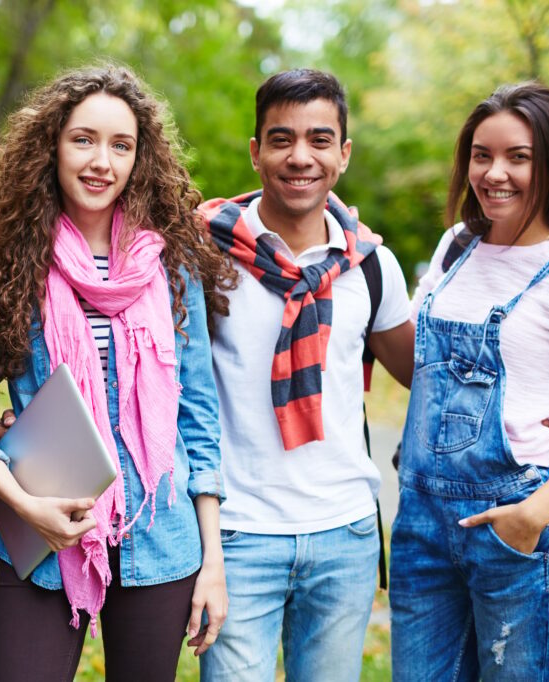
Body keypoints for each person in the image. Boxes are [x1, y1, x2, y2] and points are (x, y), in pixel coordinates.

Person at [0, 64, 232, 681]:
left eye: (121, 145)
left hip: (161, 536)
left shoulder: (169, 268)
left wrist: (213, 561)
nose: (102, 161)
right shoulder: (7, 267)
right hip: (46, 535)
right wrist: (20, 501)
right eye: (84, 139)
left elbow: (198, 418)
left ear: (139, 159)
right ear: (51, 146)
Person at [389, 82, 549, 681]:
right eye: (481, 154)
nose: (493, 172)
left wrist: (531, 516)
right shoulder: (456, 247)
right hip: (421, 525)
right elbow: (417, 362)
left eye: (517, 157)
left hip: (517, 533)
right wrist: (353, 258)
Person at [196, 69, 416, 681]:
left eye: (320, 140)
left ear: (343, 154)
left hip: (344, 537)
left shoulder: (371, 266)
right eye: (281, 139)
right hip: (239, 535)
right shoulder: (203, 257)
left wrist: (533, 414)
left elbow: (429, 377)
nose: (300, 157)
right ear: (256, 152)